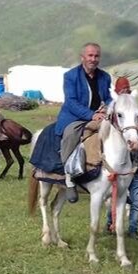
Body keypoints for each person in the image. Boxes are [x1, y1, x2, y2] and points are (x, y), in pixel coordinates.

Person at [55, 43, 112, 203]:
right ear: (83, 57)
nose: (93, 59)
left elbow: (107, 97)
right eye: (90, 56)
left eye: (96, 56)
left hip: (98, 116)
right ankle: (69, 178)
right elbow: (71, 102)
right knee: (70, 135)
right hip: (75, 117)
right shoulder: (71, 76)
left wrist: (108, 107)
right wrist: (91, 114)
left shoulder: (104, 77)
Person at [106, 104, 138, 239]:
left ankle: (133, 230)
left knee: (136, 202)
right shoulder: (125, 133)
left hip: (136, 174)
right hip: (123, 174)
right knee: (114, 200)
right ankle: (110, 225)